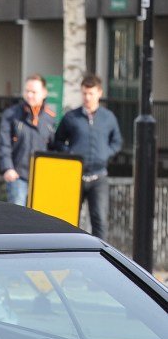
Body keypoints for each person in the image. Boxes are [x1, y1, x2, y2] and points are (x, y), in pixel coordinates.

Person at [53, 73, 123, 239]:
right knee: (68, 221)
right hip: (75, 176)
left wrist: (106, 153)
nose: (87, 97)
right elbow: (57, 140)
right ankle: (68, 252)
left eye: (91, 93)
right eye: (84, 93)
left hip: (99, 177)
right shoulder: (71, 117)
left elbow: (117, 141)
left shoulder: (108, 117)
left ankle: (101, 258)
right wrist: (69, 154)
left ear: (99, 93)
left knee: (99, 220)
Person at [0, 74, 56, 206]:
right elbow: (4, 144)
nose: (29, 95)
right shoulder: (11, 115)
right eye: (27, 91)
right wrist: (7, 168)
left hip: (42, 178)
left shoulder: (50, 118)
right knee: (18, 218)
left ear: (44, 93)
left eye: (34, 92)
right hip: (18, 175)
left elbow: (53, 147)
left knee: (41, 218)